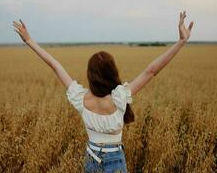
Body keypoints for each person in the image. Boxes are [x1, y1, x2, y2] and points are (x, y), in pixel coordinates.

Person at [13, 11, 194, 172]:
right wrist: (180, 42)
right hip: (115, 161)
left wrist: (29, 41)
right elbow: (151, 70)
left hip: (91, 159)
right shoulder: (119, 97)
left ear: (90, 75)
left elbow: (54, 65)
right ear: (112, 73)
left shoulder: (80, 98)